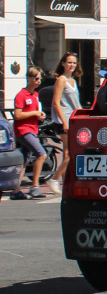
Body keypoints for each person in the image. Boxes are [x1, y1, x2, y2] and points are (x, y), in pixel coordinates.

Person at [12, 67, 48, 200]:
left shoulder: (35, 95)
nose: (38, 81)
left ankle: (16, 190)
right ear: (29, 78)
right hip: (24, 130)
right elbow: (17, 115)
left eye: (40, 79)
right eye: (36, 78)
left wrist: (40, 116)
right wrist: (34, 113)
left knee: (24, 161)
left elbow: (35, 112)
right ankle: (35, 186)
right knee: (41, 154)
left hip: (32, 129)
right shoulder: (21, 95)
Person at [50, 51, 83, 194]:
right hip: (64, 120)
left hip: (73, 119)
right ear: (63, 63)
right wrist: (64, 122)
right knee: (70, 153)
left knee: (67, 153)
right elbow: (56, 102)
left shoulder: (73, 81)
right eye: (69, 62)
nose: (72, 65)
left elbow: (76, 103)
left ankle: (64, 184)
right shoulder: (61, 80)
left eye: (74, 63)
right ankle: (54, 179)